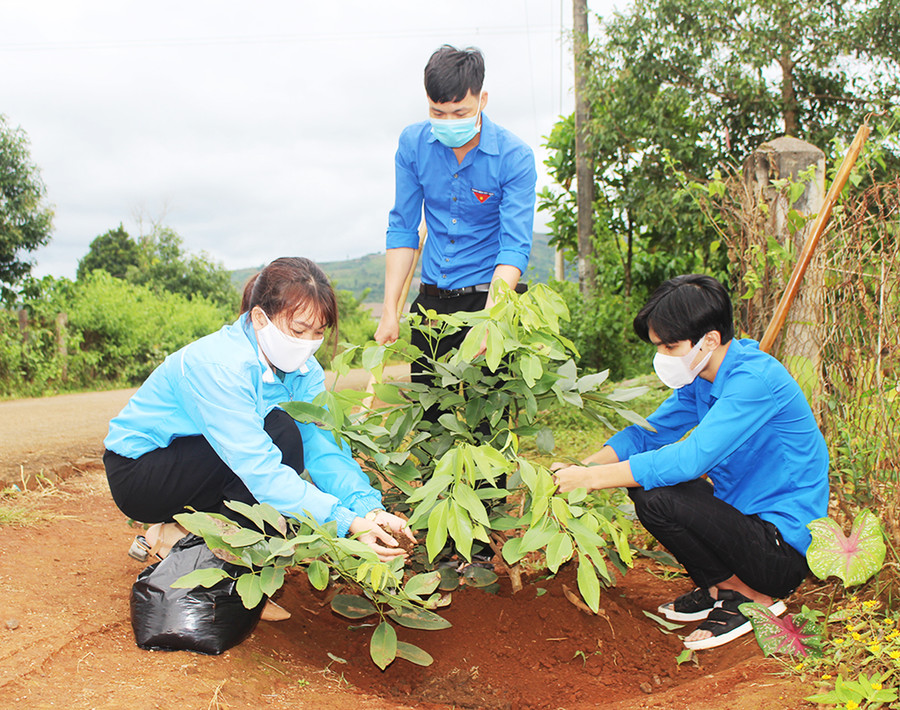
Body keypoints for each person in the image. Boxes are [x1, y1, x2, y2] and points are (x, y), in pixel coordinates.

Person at [104, 257, 414, 620]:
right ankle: (229, 572)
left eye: (319, 333)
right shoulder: (221, 367)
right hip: (142, 473)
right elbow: (260, 471)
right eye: (299, 331)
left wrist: (367, 508)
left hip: (202, 461)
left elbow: (321, 447)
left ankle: (178, 536)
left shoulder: (303, 370)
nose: (309, 344)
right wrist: (344, 521)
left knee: (292, 434)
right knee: (281, 433)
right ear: (259, 318)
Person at [553, 274, 829, 650]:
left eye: (670, 346)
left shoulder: (754, 381)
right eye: (658, 347)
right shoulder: (701, 377)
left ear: (710, 340)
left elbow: (690, 459)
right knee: (649, 493)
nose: (662, 357)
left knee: (660, 492)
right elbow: (646, 434)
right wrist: (580, 468)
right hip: (743, 527)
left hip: (780, 549)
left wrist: (592, 479)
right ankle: (723, 587)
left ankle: (754, 597)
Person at [374, 44, 537, 369]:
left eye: (460, 113)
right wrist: (390, 310)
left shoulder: (515, 157)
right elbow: (403, 229)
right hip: (431, 307)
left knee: (486, 416)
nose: (448, 121)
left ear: (482, 100)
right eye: (437, 112)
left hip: (488, 296)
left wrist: (492, 320)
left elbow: (514, 246)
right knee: (430, 415)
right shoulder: (413, 145)